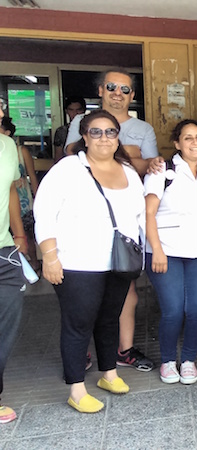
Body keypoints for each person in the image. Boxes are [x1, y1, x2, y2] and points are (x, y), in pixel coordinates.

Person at [35, 110, 145, 413]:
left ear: (117, 136)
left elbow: (138, 216)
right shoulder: (69, 168)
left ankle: (109, 373)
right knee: (78, 323)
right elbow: (44, 211)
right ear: (84, 136)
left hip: (118, 261)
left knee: (109, 318)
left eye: (110, 132)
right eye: (96, 132)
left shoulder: (127, 170)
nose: (104, 138)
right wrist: (49, 256)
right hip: (77, 261)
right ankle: (77, 388)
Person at [65, 69, 157, 373]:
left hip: (124, 229)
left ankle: (123, 349)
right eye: (113, 87)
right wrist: (130, 154)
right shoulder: (81, 122)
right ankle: (84, 352)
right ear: (101, 90)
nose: (119, 92)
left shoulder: (143, 127)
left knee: (126, 294)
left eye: (126, 89)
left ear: (132, 95)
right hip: (85, 225)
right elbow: (71, 156)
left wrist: (130, 157)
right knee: (85, 297)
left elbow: (151, 166)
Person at [143, 120, 197, 384]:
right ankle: (167, 360)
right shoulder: (162, 170)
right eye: (188, 138)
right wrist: (157, 250)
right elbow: (148, 213)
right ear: (177, 143)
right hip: (167, 251)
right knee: (173, 309)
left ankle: (188, 360)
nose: (195, 142)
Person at [0, 100, 27, 424]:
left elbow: (9, 193)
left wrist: (19, 237)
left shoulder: (7, 146)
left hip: (4, 250)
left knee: (6, 325)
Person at [0, 117, 39, 273]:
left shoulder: (15, 149)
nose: (2, 112)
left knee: (28, 234)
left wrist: (37, 199)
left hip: (22, 201)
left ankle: (34, 264)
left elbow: (31, 177)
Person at [53, 96, 86, 161]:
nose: (75, 113)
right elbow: (58, 157)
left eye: (78, 110)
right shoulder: (61, 131)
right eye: (71, 110)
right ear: (66, 111)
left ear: (83, 110)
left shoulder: (91, 129)